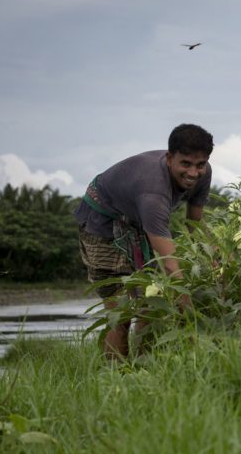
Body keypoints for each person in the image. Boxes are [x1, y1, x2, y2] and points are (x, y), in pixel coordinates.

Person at [74, 123, 213, 360]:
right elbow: (170, 265)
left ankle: (143, 369)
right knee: (121, 311)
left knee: (152, 304)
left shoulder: (203, 174)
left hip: (138, 224)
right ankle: (115, 375)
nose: (193, 173)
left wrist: (215, 257)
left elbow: (195, 226)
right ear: (170, 158)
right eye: (185, 164)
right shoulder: (153, 193)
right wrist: (189, 312)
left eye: (199, 165)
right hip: (103, 223)